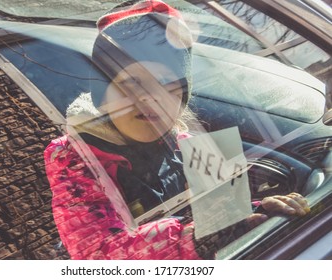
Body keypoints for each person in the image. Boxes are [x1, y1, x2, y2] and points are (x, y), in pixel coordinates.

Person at [44, 0, 310, 260]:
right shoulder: (75, 158)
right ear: (102, 94)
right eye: (132, 82)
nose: (150, 96)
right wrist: (200, 237)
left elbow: (223, 215)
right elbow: (98, 253)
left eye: (166, 84)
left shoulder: (189, 144)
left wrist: (257, 213)